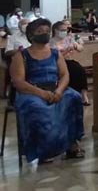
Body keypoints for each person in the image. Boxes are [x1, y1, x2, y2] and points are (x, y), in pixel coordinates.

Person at [9, 18, 84, 162]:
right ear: (31, 35)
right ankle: (43, 150)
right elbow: (19, 82)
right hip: (31, 92)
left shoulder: (55, 53)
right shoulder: (21, 56)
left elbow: (64, 75)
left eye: (46, 31)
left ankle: (71, 144)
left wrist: (59, 91)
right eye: (40, 31)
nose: (44, 34)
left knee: (73, 97)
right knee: (37, 107)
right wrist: (42, 93)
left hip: (55, 89)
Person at [50, 21, 90, 105]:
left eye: (66, 30)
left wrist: (76, 46)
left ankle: (84, 95)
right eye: (62, 30)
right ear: (55, 30)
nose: (64, 32)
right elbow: (55, 56)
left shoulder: (68, 38)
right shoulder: (51, 42)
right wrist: (67, 50)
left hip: (69, 61)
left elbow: (80, 49)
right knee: (71, 70)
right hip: (57, 62)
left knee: (80, 70)